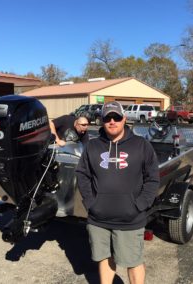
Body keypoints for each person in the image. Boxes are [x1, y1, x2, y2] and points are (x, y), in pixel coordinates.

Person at [75, 101, 160, 284]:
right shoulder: (93, 146)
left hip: (130, 219)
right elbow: (82, 174)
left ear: (124, 119)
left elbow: (152, 178)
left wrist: (140, 204)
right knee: (104, 258)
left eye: (116, 117)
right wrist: (91, 202)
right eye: (107, 118)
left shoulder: (141, 145)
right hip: (99, 219)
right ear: (102, 121)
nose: (112, 121)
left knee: (134, 261)